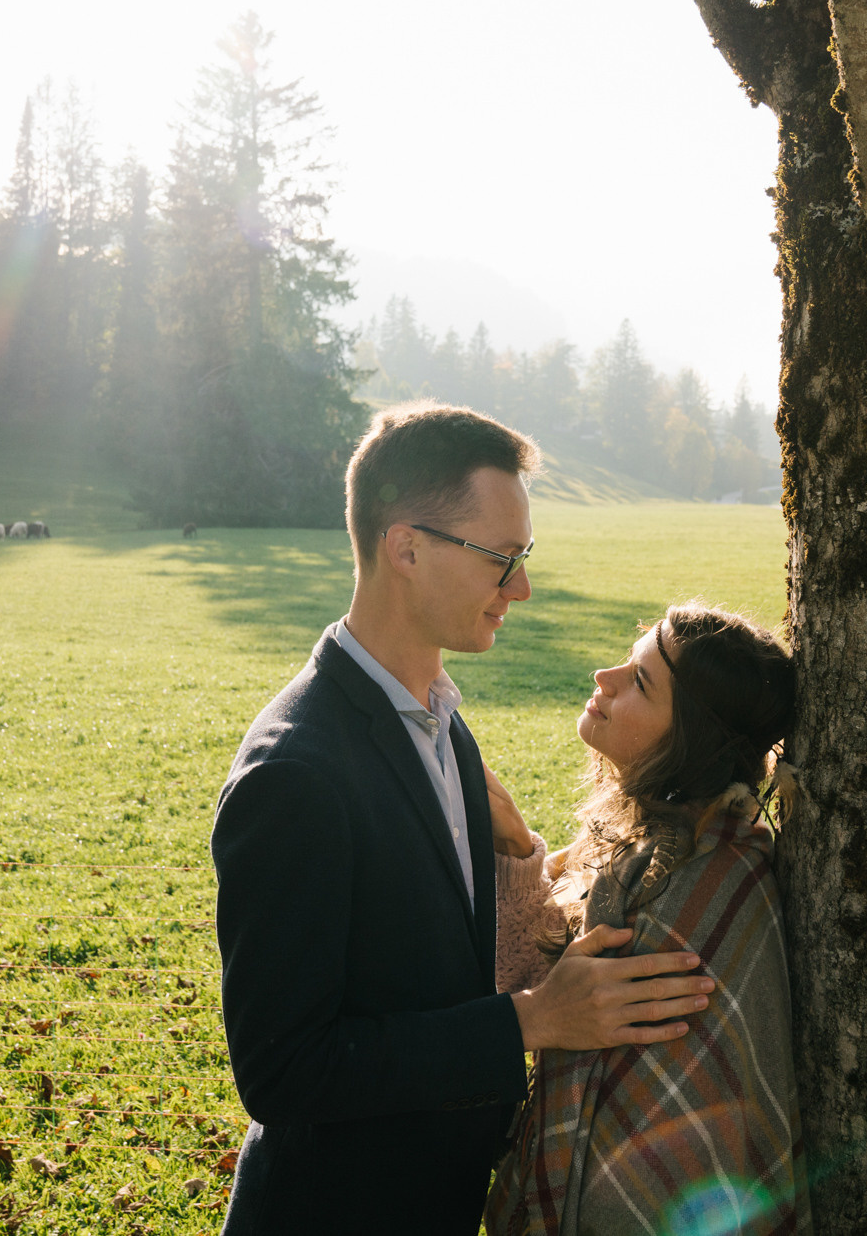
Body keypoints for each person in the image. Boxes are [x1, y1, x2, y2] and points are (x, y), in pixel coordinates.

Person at [211, 404, 719, 1236]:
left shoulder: (440, 717)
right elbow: (285, 1071)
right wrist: (531, 1019)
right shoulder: (294, 777)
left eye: (524, 558)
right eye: (500, 559)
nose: (519, 586)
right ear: (404, 548)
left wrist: (520, 854)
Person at [483, 603, 810, 1236]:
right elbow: (546, 986)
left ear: (689, 734)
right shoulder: (637, 839)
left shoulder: (694, 881)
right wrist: (523, 853)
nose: (603, 676)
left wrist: (521, 857)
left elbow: (521, 975)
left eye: (639, 682)